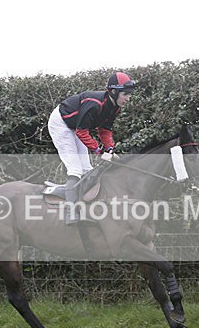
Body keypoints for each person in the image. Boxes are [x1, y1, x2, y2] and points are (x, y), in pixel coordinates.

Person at [47, 71, 136, 224]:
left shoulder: (115, 107)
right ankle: (71, 212)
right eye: (125, 94)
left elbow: (105, 130)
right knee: (75, 169)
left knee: (87, 169)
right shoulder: (95, 104)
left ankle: (85, 206)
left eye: (129, 94)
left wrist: (110, 149)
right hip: (61, 123)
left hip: (75, 126)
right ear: (114, 92)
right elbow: (82, 131)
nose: (128, 98)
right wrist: (99, 152)